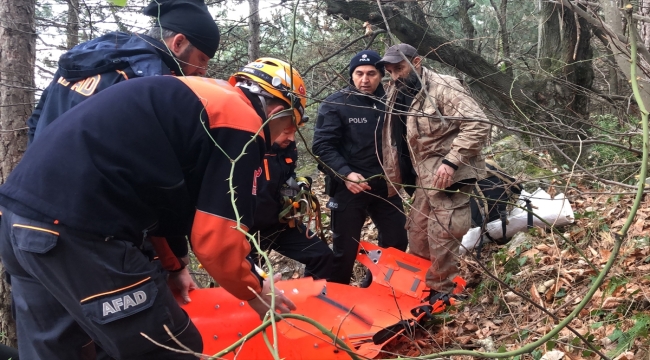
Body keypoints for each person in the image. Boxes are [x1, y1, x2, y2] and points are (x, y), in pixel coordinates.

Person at [0, 57, 305, 359]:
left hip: (20, 219)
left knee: (61, 349)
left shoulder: (193, 96)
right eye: (291, 126)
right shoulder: (241, 121)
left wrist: (175, 265)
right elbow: (218, 237)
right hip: (80, 230)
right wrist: (255, 289)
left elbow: (153, 198)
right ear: (277, 111)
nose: (288, 137)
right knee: (172, 347)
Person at [378, 43, 490, 305]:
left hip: (449, 174)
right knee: (417, 232)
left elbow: (478, 123)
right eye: (390, 71)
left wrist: (451, 162)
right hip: (421, 177)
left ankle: (443, 290)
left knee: (445, 232)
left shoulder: (443, 87)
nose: (394, 75)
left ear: (417, 62)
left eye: (399, 68)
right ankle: (420, 287)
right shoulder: (397, 89)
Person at [27, 0, 220, 145]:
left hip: (32, 184)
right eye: (201, 59)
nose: (203, 71)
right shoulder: (151, 82)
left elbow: (38, 118)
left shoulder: (85, 55)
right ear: (178, 43)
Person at [312, 50, 408, 285]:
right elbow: (322, 147)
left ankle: (374, 286)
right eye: (359, 73)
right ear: (351, 75)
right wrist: (346, 174)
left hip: (384, 186)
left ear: (381, 75)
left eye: (371, 74)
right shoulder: (336, 103)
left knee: (397, 240)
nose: (365, 79)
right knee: (345, 249)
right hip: (348, 188)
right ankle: (336, 297)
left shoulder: (392, 101)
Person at [249, 124, 333, 280]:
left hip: (281, 225)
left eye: (294, 132)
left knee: (322, 256)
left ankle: (312, 300)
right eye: (286, 132)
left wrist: (298, 187)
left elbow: (285, 179)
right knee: (248, 279)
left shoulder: (287, 147)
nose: (291, 138)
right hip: (251, 232)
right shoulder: (249, 148)